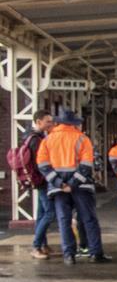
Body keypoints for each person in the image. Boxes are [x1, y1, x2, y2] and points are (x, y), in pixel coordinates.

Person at [35, 109, 109, 265]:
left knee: (64, 220)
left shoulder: (47, 141)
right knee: (89, 219)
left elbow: (43, 165)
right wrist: (73, 183)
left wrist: (59, 183)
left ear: (58, 123)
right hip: (81, 187)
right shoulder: (82, 139)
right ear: (74, 124)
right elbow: (86, 165)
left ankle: (69, 255)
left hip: (58, 189)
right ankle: (95, 253)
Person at [19, 110, 56, 259]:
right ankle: (36, 246)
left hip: (37, 180)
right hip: (42, 180)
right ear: (39, 122)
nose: (51, 124)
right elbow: (41, 163)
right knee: (50, 213)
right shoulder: (37, 140)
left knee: (41, 214)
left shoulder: (29, 136)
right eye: (48, 121)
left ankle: (42, 245)